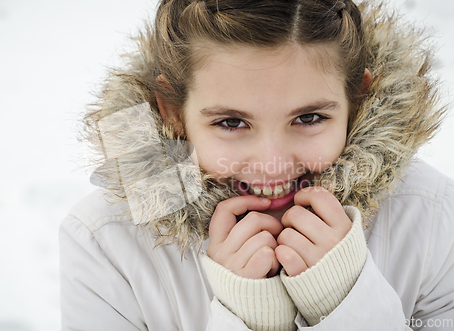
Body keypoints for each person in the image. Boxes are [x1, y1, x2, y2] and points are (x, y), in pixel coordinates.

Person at [59, 0, 454, 330]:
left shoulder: (432, 217)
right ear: (172, 112)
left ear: (357, 101)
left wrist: (348, 302)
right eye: (231, 123)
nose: (273, 164)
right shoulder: (105, 242)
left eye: (309, 118)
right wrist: (248, 319)